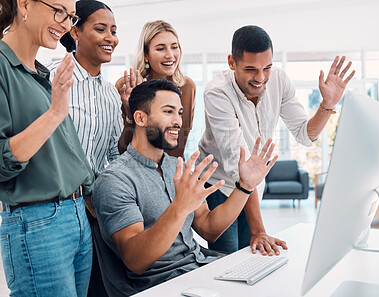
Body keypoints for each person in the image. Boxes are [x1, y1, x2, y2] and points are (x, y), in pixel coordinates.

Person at [92, 79, 279, 293]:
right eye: (168, 112)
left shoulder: (176, 167)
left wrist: (245, 186)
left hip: (200, 270)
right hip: (162, 285)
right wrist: (179, 208)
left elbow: (209, 228)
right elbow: (135, 260)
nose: (178, 121)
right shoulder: (115, 180)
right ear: (140, 118)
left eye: (180, 113)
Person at [197, 25, 355, 254]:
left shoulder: (278, 80)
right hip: (218, 184)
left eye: (267, 67)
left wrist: (327, 105)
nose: (261, 78)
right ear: (232, 63)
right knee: (227, 258)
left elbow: (305, 134)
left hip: (249, 183)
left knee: (249, 255)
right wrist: (259, 230)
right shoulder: (217, 93)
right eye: (251, 69)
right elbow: (238, 168)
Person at [0, 0, 95, 296]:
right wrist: (54, 113)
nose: (67, 24)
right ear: (25, 5)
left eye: (71, 16)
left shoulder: (41, 72)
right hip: (38, 224)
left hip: (75, 215)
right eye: (59, 12)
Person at [46, 1, 123, 296]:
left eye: (113, 31)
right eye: (100, 29)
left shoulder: (110, 93)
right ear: (75, 31)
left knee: (97, 289)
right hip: (57, 207)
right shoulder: (52, 76)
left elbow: (114, 155)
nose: (110, 38)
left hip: (95, 211)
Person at [116, 20, 195, 159]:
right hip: (134, 168)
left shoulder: (187, 86)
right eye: (160, 48)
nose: (170, 55)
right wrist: (130, 112)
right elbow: (119, 148)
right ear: (146, 54)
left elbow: (180, 140)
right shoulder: (127, 85)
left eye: (174, 47)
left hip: (171, 170)